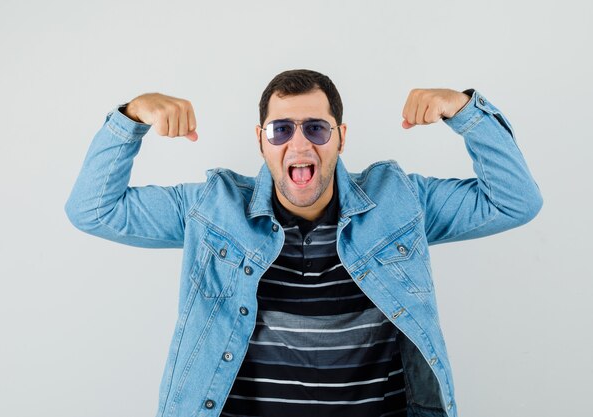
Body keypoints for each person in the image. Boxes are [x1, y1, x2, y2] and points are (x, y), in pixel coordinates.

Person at [64, 69, 542, 417]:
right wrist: (132, 116)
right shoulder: (214, 208)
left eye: (316, 128)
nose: (299, 144)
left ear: (340, 137)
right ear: (260, 141)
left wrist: (465, 111)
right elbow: (93, 210)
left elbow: (515, 201)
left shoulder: (400, 202)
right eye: (281, 129)